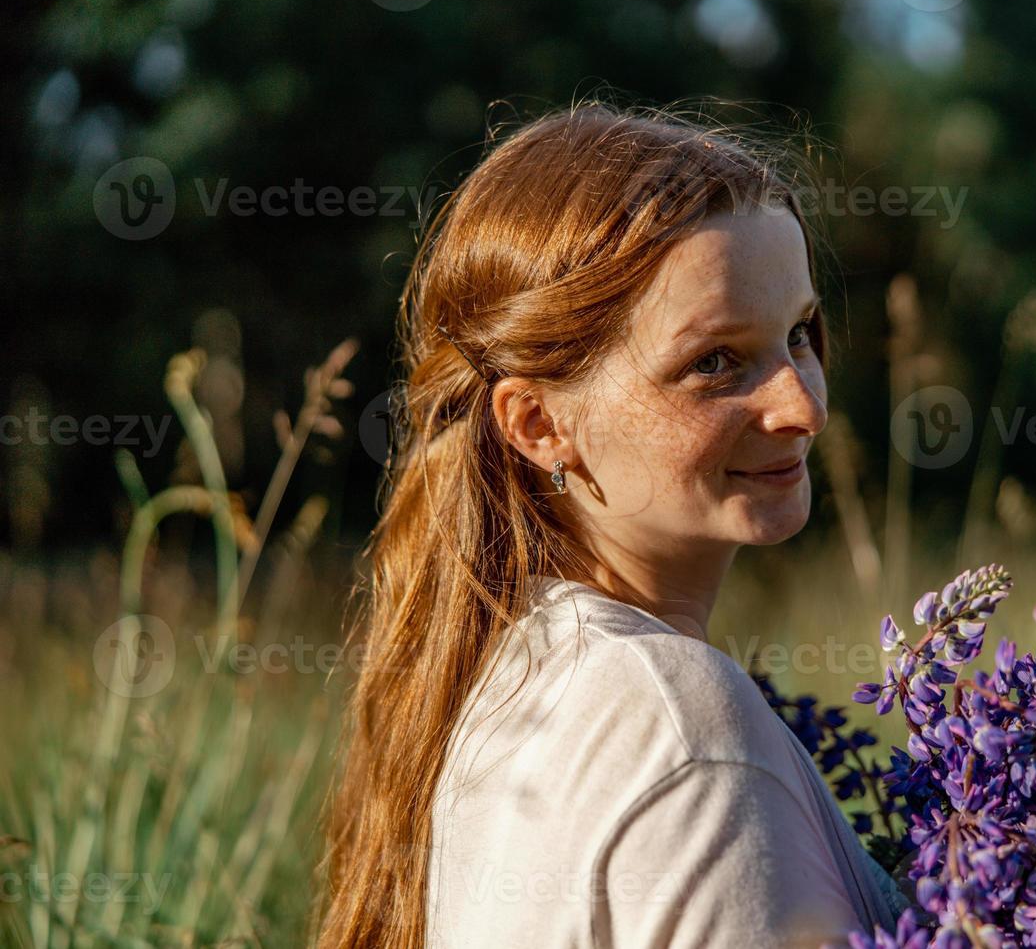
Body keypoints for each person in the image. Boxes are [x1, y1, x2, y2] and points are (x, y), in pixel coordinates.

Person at [316, 100, 908, 948]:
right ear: (538, 425)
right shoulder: (680, 722)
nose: (803, 406)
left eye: (800, 335)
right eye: (714, 362)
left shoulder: (518, 684)